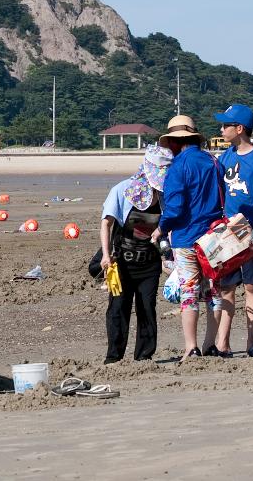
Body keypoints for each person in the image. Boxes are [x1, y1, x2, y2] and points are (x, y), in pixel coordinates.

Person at [156, 115, 227, 362]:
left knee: (189, 291)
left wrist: (161, 228)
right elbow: (223, 200)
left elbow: (174, 208)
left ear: (175, 142)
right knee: (213, 292)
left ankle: (191, 347)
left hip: (186, 237)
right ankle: (210, 345)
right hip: (214, 238)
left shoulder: (178, 167)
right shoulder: (214, 163)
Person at [212, 103, 253, 360]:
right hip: (228, 231)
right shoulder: (223, 158)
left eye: (226, 125)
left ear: (239, 129)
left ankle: (251, 342)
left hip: (251, 229)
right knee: (226, 288)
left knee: (252, 287)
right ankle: (223, 343)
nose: (222, 129)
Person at [99, 145, 172, 363]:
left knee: (147, 307)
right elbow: (106, 223)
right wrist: (105, 255)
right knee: (118, 308)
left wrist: (169, 259)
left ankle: (144, 356)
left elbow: (170, 227)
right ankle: (113, 357)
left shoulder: (164, 196)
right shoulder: (122, 190)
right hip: (121, 261)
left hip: (149, 263)